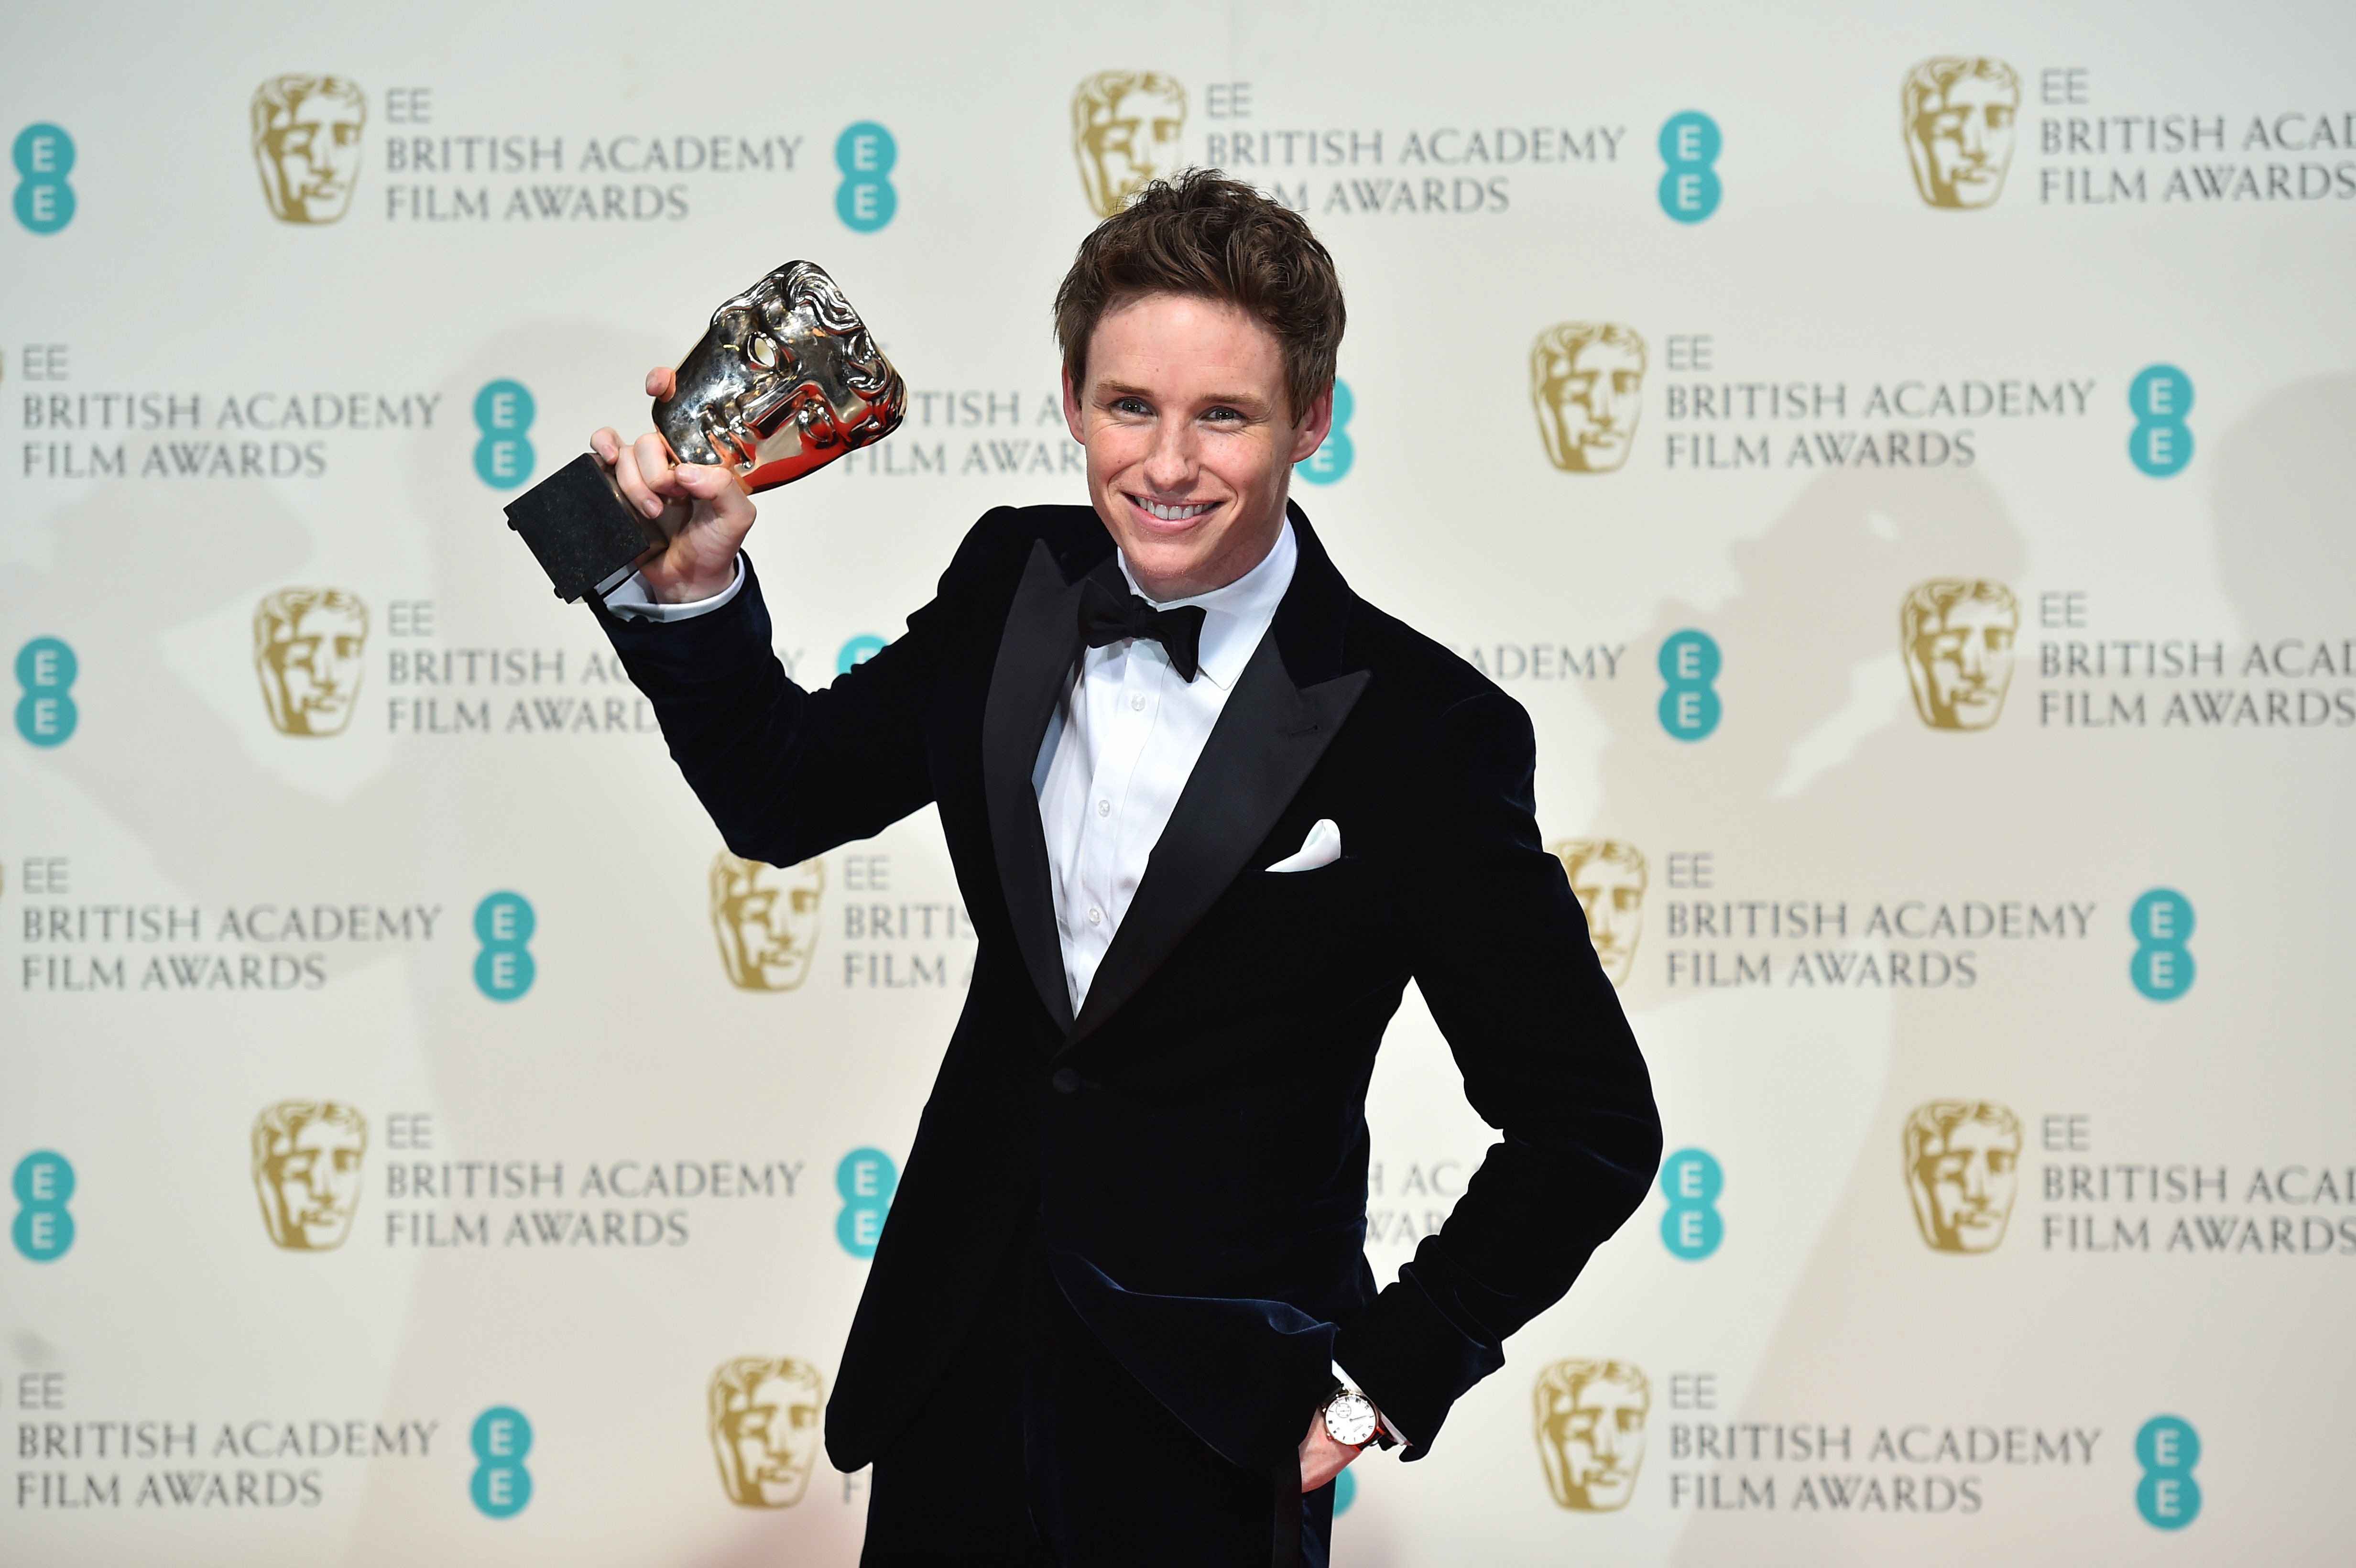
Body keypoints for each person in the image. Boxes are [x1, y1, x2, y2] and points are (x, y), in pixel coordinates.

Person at [585, 171, 1658, 1566]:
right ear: (1074, 401)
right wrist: (690, 587)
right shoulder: (1013, 580)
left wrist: (1396, 1368)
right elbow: (785, 794)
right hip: (952, 1367)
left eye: (1224, 414)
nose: (1165, 465)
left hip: (1215, 1424)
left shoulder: (1421, 730)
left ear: (1311, 422)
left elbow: (1588, 1124)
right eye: (1127, 407)